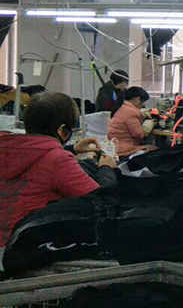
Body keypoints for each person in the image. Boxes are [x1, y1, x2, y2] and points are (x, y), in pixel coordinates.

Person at [0, 92, 115, 247]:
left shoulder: (6, 148)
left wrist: (71, 149)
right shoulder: (58, 161)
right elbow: (99, 201)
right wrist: (106, 169)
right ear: (62, 130)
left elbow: (36, 161)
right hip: (24, 245)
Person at [107, 86, 154, 158]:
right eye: (143, 103)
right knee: (156, 150)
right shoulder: (131, 112)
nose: (142, 105)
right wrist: (148, 125)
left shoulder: (121, 107)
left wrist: (142, 115)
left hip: (115, 147)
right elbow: (139, 135)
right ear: (137, 99)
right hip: (125, 150)